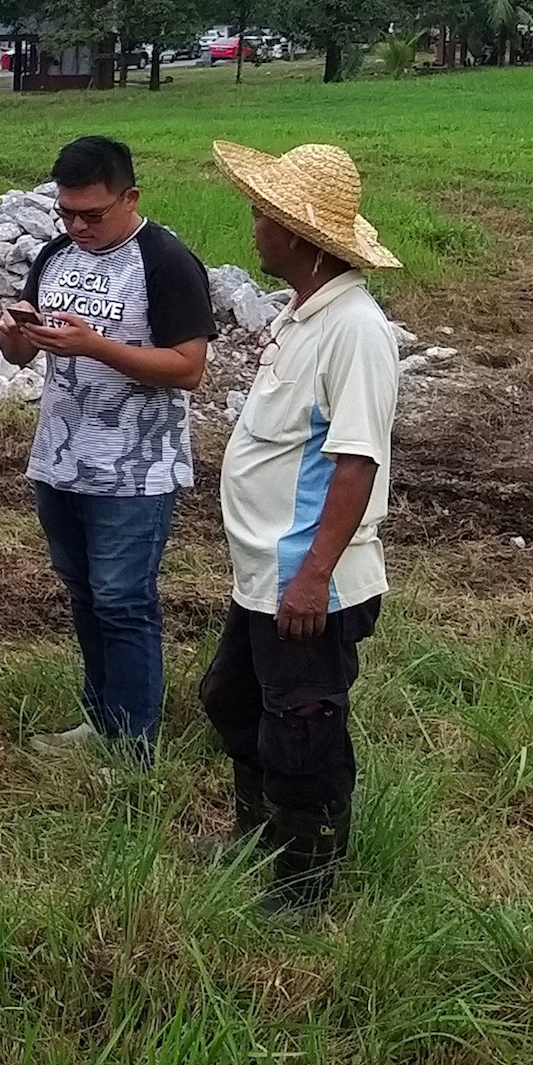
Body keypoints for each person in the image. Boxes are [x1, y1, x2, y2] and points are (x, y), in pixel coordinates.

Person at [201, 140, 401, 912]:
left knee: (302, 726)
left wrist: (314, 574)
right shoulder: (301, 314)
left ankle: (306, 883)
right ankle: (257, 832)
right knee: (231, 699)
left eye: (262, 215)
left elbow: (355, 463)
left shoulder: (354, 329)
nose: (252, 226)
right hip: (266, 572)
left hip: (308, 580)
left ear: (298, 235)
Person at [0, 136, 214, 761]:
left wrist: (95, 346)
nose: (77, 226)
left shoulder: (165, 260)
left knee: (123, 601)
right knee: (86, 596)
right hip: (59, 460)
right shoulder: (54, 256)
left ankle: (135, 741)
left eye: (91, 214)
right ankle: (101, 723)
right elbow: (21, 355)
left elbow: (189, 368)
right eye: (66, 213)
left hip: (134, 471)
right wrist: (16, 334)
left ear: (130, 198)